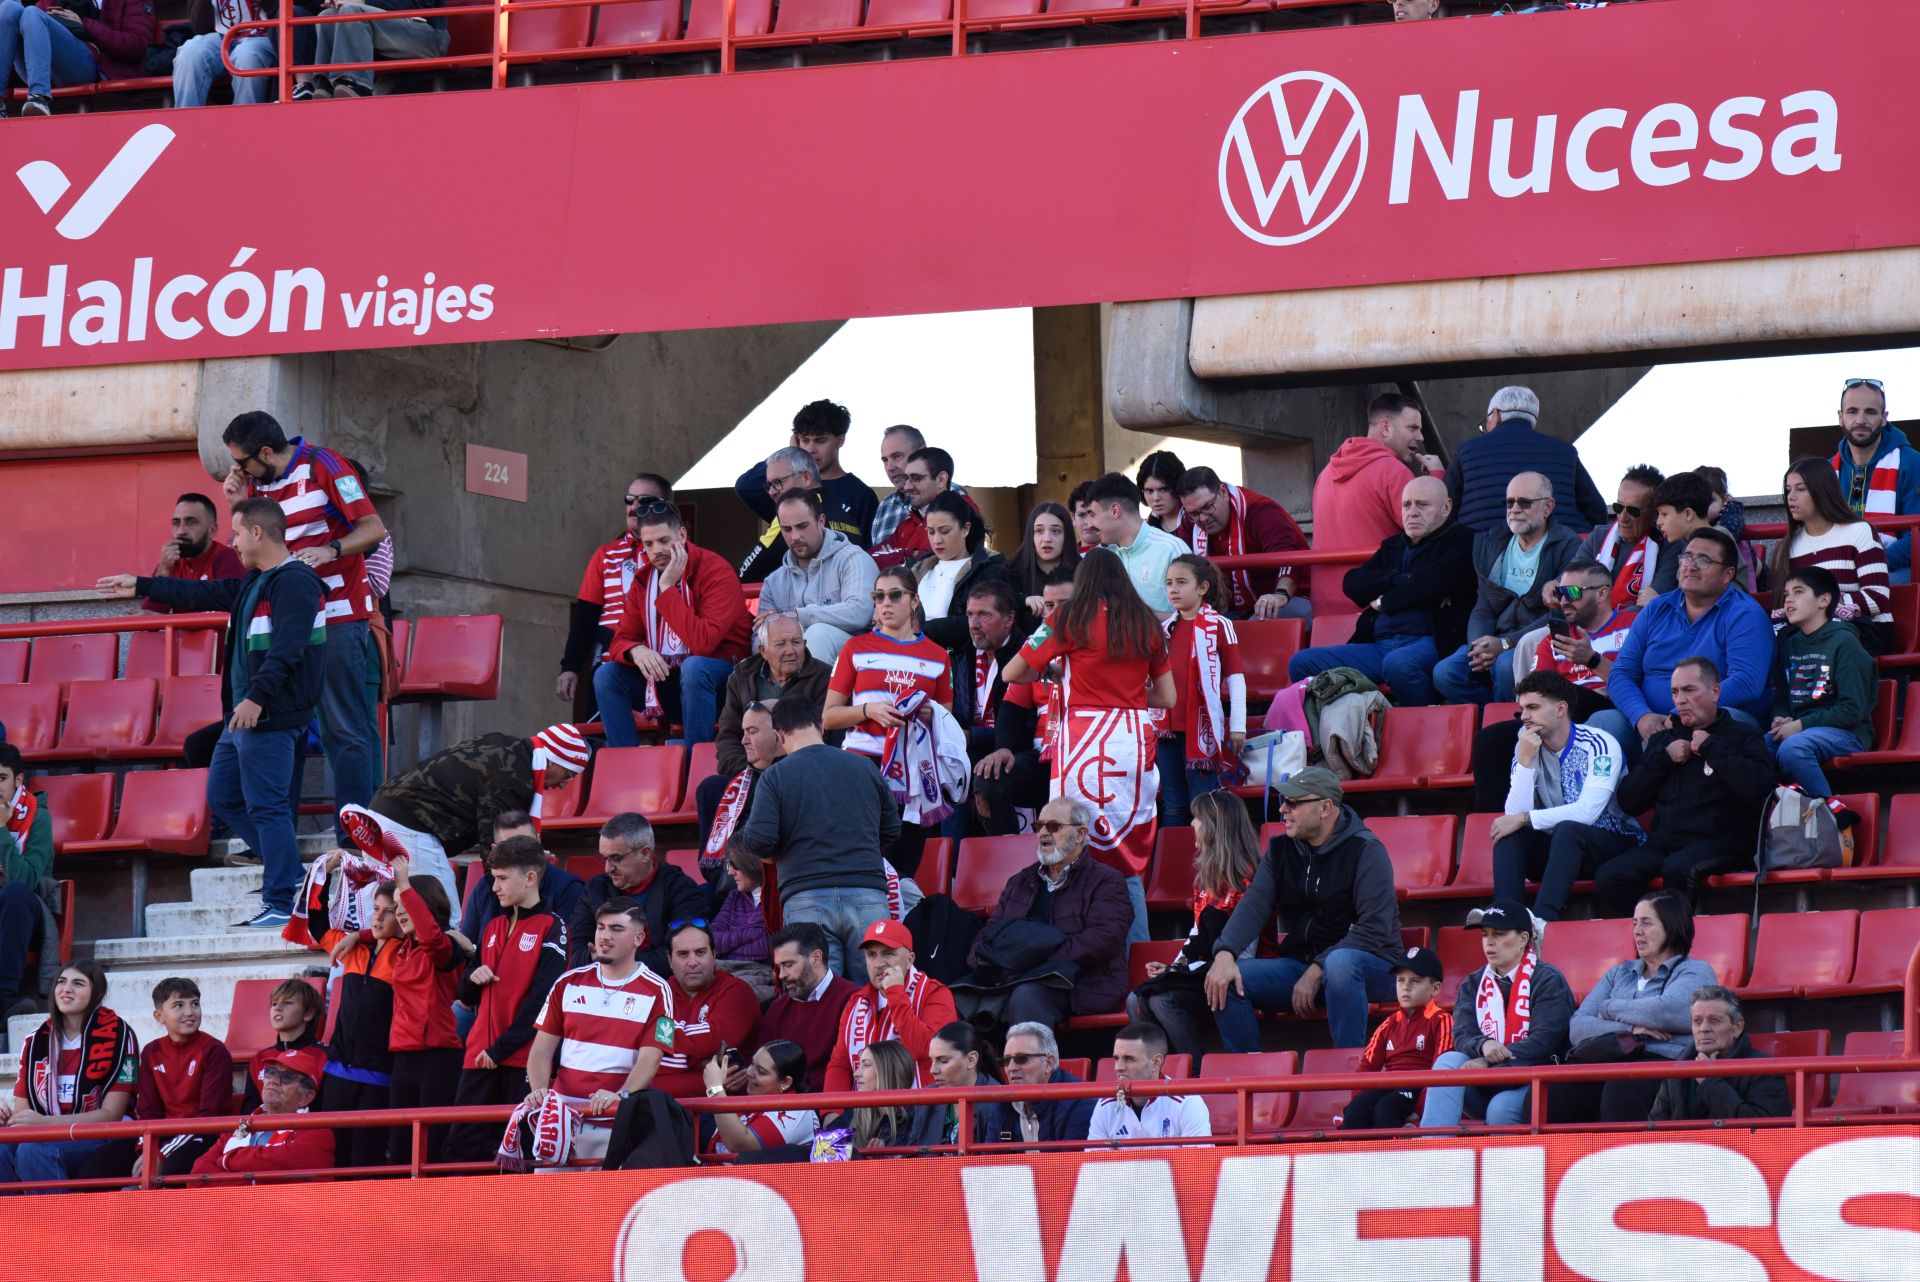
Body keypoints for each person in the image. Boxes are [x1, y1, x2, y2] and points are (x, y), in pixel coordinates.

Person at [98, 497, 325, 929]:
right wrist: (145, 584)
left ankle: (281, 900)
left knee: (268, 808)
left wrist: (257, 698)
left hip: (267, 715)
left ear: (257, 532)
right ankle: (290, 871)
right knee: (223, 795)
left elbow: (289, 647)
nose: (232, 543)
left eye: (237, 533)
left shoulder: (296, 581)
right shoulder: (253, 581)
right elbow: (200, 592)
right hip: (241, 716)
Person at [220, 411, 386, 838]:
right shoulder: (257, 483)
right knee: (282, 727)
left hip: (338, 615)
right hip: (285, 624)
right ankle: (278, 837)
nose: (237, 470)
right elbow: (254, 544)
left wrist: (332, 549)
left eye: (241, 462)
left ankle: (355, 836)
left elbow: (374, 528)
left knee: (344, 730)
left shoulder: (326, 465)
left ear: (268, 452)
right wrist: (236, 501)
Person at [1004, 549, 1176, 946]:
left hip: (1083, 737)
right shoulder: (1145, 622)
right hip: (1132, 739)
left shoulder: (1067, 618)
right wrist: (1128, 693)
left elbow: (1012, 671)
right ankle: (1137, 952)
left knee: (1072, 847)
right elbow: (1167, 698)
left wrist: (1055, 669)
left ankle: (1074, 947)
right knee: (1125, 857)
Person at [1204, 768, 1403, 1050]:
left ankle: (1348, 1073)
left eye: (1293, 802)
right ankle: (1251, 1079)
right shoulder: (1280, 850)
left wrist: (1318, 968)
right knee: (1226, 978)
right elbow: (1254, 905)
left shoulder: (1366, 850)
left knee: (1341, 964)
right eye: (1283, 801)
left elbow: (1375, 929)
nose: (1283, 809)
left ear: (1324, 808)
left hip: (1373, 966)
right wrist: (1225, 953)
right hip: (1303, 966)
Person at [1596, 657, 1775, 915]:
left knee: (1678, 868)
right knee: (1611, 876)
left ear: (1715, 691)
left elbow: (1761, 788)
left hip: (1723, 842)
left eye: (1689, 690)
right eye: (1675, 691)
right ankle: (1652, 932)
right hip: (1665, 844)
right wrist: (1663, 759)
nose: (1680, 699)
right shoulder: (1662, 742)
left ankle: (1676, 948)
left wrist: (1712, 748)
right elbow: (1628, 801)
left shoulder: (1743, 736)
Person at [350, 722, 592, 912]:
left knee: (389, 914)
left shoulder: (506, 747)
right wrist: (511, 897)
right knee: (444, 917)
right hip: (408, 825)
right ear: (552, 761)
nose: (565, 784)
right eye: (568, 773)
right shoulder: (513, 776)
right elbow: (496, 844)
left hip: (382, 815)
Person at [742, 695, 899, 976]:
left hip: (806, 899)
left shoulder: (775, 776)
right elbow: (892, 831)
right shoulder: (865, 767)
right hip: (867, 894)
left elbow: (758, 841)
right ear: (820, 726)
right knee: (877, 999)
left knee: (820, 1005)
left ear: (779, 735)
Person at [1287, 475, 1475, 706]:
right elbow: (1353, 584)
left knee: (1398, 664)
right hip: (1378, 646)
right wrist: (1401, 580)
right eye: (1406, 504)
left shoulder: (1463, 539)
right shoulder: (1393, 546)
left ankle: (1427, 725)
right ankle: (1353, 730)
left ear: (1446, 507)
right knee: (1301, 663)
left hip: (1429, 643)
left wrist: (1385, 601)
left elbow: (1434, 582)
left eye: (1422, 504)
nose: (1412, 512)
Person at [820, 565, 953, 879]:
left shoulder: (937, 656)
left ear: (915, 601)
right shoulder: (855, 647)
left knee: (905, 865)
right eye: (878, 596)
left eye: (895, 595)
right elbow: (828, 717)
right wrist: (868, 710)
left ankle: (897, 926)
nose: (886, 603)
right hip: (863, 765)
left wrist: (931, 712)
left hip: (916, 770)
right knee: (863, 860)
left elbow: (948, 722)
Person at [523, 897, 675, 1168]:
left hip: (614, 1123)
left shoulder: (658, 989)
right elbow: (540, 1050)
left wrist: (622, 1096)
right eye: (601, 927)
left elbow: (651, 1059)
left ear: (639, 938)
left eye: (616, 929)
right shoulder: (567, 982)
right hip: (559, 1122)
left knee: (605, 1210)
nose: (604, 936)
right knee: (550, 1208)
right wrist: (539, 1092)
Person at [445, 836, 571, 1164]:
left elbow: (543, 1001)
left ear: (530, 878)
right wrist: (473, 978)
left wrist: (499, 1050)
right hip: (478, 1057)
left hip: (520, 1060)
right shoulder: (493, 926)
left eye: (501, 878)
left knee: (519, 1154)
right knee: (462, 1151)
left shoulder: (553, 927)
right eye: (492, 878)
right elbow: (465, 993)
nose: (495, 887)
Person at [959, 796, 1131, 1027]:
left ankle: (1027, 1062)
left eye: (1054, 826)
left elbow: (1104, 939)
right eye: (1039, 826)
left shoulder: (1107, 880)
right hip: (1016, 976)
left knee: (1026, 994)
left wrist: (1036, 962)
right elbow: (988, 935)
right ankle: (983, 1063)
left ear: (1080, 834)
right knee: (959, 996)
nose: (1043, 834)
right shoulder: (1019, 881)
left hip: (1080, 982)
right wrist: (986, 960)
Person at [1599, 528, 1776, 750]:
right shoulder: (1656, 608)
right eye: (1687, 557)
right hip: (1651, 719)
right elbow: (1622, 672)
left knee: (1703, 727)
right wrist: (1641, 716)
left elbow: (1746, 683)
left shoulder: (1745, 614)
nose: (1690, 566)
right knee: (1602, 724)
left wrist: (1679, 714)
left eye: (1704, 560)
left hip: (1718, 720)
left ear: (1728, 575)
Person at [1488, 670, 1642, 924]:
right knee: (1510, 833)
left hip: (1612, 847)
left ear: (1560, 708)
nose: (1524, 716)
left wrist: (1526, 818)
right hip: (1561, 854)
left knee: (1569, 829)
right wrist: (1525, 763)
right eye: (1522, 709)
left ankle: (1542, 922)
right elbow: (1514, 815)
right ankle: (1505, 921)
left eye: (1533, 707)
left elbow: (1588, 813)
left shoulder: (1599, 743)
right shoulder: (1527, 745)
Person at [596, 500, 751, 747]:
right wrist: (635, 650)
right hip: (671, 683)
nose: (656, 550)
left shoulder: (716, 571)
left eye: (664, 541)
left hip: (725, 684)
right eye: (648, 544)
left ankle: (693, 763)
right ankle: (623, 763)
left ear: (682, 534)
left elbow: (702, 643)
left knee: (695, 667)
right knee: (607, 676)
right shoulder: (644, 580)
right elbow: (619, 641)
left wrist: (667, 589)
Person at [1554, 891, 1718, 1124]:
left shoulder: (1696, 971)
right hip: (1610, 1059)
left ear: (1671, 927)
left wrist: (1608, 1007)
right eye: (1634, 923)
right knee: (1555, 1093)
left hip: (1666, 1065)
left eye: (1646, 923)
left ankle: (1625, 1161)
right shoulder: (1619, 973)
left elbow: (1666, 1012)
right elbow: (1578, 1027)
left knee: (1622, 1089)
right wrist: (1630, 1030)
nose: (1637, 931)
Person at [1127, 790, 1263, 1060]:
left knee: (1163, 1000)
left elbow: (1245, 950)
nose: (1191, 825)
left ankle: (1195, 1075)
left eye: (1197, 818)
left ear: (1215, 825)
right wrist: (1175, 968)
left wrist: (1185, 971)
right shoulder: (1206, 880)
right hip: (1205, 971)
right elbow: (1196, 933)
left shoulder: (1249, 878)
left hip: (1242, 972)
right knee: (1136, 1000)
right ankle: (1159, 1073)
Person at [1433, 473, 1584, 706]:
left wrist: (1505, 644)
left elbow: (1562, 612)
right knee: (1445, 673)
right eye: (1509, 502)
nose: (1514, 509)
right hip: (1497, 639)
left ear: (1548, 507)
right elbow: (1483, 605)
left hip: (1537, 641)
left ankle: (1508, 723)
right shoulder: (1491, 542)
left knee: (1505, 667)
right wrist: (1479, 646)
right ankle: (1491, 716)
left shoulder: (1569, 545)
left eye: (1524, 502)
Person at [1420, 902, 1574, 1129]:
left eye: (1499, 934)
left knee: (1500, 1108)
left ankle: (1508, 1165)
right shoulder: (1473, 982)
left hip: (1533, 1080)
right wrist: (1484, 1045)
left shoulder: (1548, 980)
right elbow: (1462, 1034)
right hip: (1486, 1080)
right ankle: (1434, 1152)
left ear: (1523, 939)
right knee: (1448, 1061)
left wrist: (1489, 1062)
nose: (1489, 942)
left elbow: (1544, 1044)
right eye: (1485, 935)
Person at [75, 977, 231, 1185]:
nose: (189, 1012)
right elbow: (148, 1112)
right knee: (93, 1171)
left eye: (195, 1003)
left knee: (173, 1169)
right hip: (161, 1135)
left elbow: (207, 1118)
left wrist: (160, 1155)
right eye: (178, 1005)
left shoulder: (214, 1050)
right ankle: (115, 1216)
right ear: (159, 1016)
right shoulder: (152, 1051)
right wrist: (147, 1150)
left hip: (203, 1134)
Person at [0, 960, 136, 1191]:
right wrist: (11, 1120)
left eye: (78, 983)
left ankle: (60, 1224)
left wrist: (44, 1123)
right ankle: (14, 1222)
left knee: (34, 1151)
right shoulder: (35, 1041)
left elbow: (111, 1115)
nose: (66, 989)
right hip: (49, 1132)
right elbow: (25, 1113)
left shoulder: (120, 1035)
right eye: (61, 982)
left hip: (104, 1132)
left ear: (98, 993)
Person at [305, 853, 398, 1167]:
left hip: (381, 1075)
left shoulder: (411, 954)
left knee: (365, 1161)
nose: (378, 918)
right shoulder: (353, 949)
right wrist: (325, 874)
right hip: (338, 1070)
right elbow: (317, 927)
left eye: (389, 912)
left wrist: (362, 933)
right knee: (332, 1157)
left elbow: (431, 934)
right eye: (375, 910)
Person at [558, 475, 671, 719]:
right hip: (613, 663)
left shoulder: (679, 554)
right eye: (629, 500)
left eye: (645, 500)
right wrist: (570, 668)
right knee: (601, 740)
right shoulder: (605, 555)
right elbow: (585, 618)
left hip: (664, 667)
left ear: (666, 506)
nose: (634, 506)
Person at [1769, 567, 1877, 816]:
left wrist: (1799, 725)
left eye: (1798, 592)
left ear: (1824, 600)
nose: (1788, 600)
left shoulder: (1845, 643)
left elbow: (1851, 710)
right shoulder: (1790, 643)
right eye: (1786, 594)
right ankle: (1769, 821)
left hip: (1847, 733)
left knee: (1793, 748)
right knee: (1753, 748)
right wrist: (1781, 716)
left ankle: (1832, 818)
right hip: (1801, 728)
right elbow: (1783, 697)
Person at [973, 571, 1073, 835]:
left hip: (1084, 753)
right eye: (1049, 606)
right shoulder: (1038, 640)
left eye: (1065, 605)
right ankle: (1012, 867)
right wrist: (1003, 747)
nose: (1055, 614)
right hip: (1044, 755)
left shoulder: (1101, 643)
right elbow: (1013, 706)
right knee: (988, 778)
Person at [383, 856, 465, 1170]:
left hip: (438, 1057)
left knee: (433, 1150)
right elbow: (379, 933)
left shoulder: (444, 947)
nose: (400, 910)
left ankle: (437, 1215)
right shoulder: (404, 949)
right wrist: (357, 935)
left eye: (405, 902)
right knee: (401, 1150)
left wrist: (404, 882)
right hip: (403, 1057)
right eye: (396, 904)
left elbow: (433, 937)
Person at [1444, 386, 1608, 534]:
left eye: (1486, 422)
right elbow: (1596, 510)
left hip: (1480, 553)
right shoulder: (1566, 452)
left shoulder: (1466, 452)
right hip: (1558, 552)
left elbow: (1445, 511)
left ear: (1495, 415)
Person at [1771, 459, 1893, 654]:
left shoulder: (1859, 532)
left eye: (1800, 489)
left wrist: (1822, 605)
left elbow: (1877, 598)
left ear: (1822, 491)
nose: (1791, 497)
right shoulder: (1789, 546)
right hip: (1810, 632)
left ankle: (1823, 685)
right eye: (1788, 490)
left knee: (1825, 638)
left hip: (1864, 629)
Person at [1159, 554, 1246, 826]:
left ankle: (1207, 866)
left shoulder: (1220, 625)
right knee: (1173, 805)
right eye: (1169, 583)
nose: (1173, 589)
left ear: (1202, 588)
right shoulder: (1164, 629)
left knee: (1203, 805)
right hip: (1166, 729)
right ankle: (1171, 867)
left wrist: (1238, 725)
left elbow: (1235, 677)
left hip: (1201, 728)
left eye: (1182, 582)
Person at [824, 919, 958, 1092]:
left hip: (919, 1110)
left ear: (909, 960)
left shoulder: (935, 993)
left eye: (888, 953)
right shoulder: (856, 1001)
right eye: (871, 954)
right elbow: (840, 1065)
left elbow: (925, 1051)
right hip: (866, 1113)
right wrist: (832, 1112)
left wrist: (895, 993)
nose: (878, 964)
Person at [570, 812, 706, 973]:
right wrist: (593, 958)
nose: (608, 869)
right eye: (604, 859)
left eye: (616, 858)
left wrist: (618, 961)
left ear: (645, 854)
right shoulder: (595, 889)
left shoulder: (681, 889)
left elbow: (684, 953)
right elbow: (572, 951)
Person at [757, 490, 879, 667]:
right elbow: (757, 642)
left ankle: (803, 694)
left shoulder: (853, 559)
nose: (795, 536)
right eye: (787, 529)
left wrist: (797, 616)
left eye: (802, 526)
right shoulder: (774, 582)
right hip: (793, 664)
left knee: (818, 634)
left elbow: (860, 612)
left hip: (861, 660)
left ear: (821, 521)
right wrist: (770, 630)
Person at [1311, 391, 1441, 553]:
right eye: (1413, 428)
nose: (1420, 437)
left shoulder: (1324, 475)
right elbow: (1432, 532)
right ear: (1385, 428)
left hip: (1323, 578)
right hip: (1374, 577)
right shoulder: (1393, 471)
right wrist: (1437, 478)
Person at [1176, 466, 1311, 620]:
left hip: (1291, 598)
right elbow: (1182, 567)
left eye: (1208, 507)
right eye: (1194, 513)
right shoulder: (1189, 523)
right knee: (1194, 624)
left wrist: (1280, 594)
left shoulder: (1261, 511)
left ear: (1223, 492)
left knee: (1254, 625)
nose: (1203, 519)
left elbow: (1288, 558)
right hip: (1231, 608)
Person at [1339, 947, 1450, 1132]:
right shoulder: (1387, 1025)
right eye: (1400, 980)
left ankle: (1395, 1160)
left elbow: (1440, 1070)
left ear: (1435, 988)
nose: (1406, 987)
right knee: (1356, 1110)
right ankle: (1348, 1158)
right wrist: (1357, 1102)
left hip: (1418, 1090)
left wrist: (1423, 1111)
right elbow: (1366, 1069)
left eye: (1415, 981)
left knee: (1386, 1108)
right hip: (1390, 1087)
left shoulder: (1442, 1020)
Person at [716, 612, 833, 781]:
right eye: (780, 644)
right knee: (708, 789)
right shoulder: (742, 676)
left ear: (804, 644)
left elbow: (822, 738)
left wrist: (777, 774)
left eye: (796, 642)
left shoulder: (824, 677)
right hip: (750, 774)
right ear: (763, 650)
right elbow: (728, 738)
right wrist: (750, 772)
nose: (790, 651)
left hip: (799, 776)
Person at [651, 921, 760, 1099]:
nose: (692, 962)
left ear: (714, 955)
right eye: (683, 954)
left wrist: (661, 1051)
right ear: (670, 960)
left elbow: (713, 1040)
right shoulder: (657, 993)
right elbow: (638, 1057)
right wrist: (702, 1063)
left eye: (700, 952)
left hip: (726, 1110)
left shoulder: (736, 991)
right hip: (664, 1107)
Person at [1647, 986, 1790, 1122]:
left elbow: (1764, 1129)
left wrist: (1709, 1082)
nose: (1704, 1029)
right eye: (1697, 1021)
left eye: (1714, 1021)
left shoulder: (1764, 1069)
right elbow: (1655, 1126)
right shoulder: (1677, 1067)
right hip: (1682, 1147)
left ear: (1737, 1027)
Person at [189, 1046, 334, 1180]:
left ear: (305, 1097)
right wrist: (250, 1186)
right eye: (270, 1072)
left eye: (287, 1077)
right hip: (235, 1206)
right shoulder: (242, 1124)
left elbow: (279, 1174)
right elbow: (199, 1174)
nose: (273, 1080)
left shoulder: (319, 1133)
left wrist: (227, 1160)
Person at [455, 810, 583, 955]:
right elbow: (468, 947)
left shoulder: (568, 889)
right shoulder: (485, 887)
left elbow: (565, 955)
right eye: (507, 848)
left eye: (526, 845)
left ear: (538, 842)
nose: (518, 854)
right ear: (495, 850)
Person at [735, 445, 870, 584]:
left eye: (778, 482)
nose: (771, 492)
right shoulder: (842, 512)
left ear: (806, 477)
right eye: (769, 485)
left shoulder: (790, 516)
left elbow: (745, 574)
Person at [1829, 377, 1919, 584]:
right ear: (1840, 417)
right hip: (1836, 568)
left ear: (1884, 417)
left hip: (1894, 569)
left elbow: (1916, 537)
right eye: (1852, 411)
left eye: (1870, 412)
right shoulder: (1826, 470)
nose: (1861, 419)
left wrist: (1869, 563)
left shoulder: (1913, 463)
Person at [0, 0, 152, 116]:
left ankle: (39, 98)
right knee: (8, 7)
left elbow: (137, 46)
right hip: (37, 67)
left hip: (93, 66)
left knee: (32, 13)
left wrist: (85, 25)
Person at [758, 922, 860, 1092]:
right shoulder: (777, 1009)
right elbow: (762, 1064)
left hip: (832, 1103)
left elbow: (853, 1070)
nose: (782, 975)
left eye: (788, 965)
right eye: (778, 967)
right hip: (781, 1106)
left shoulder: (854, 1000)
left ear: (816, 958)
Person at [915, 492, 1012, 654]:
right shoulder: (917, 570)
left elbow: (975, 622)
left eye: (944, 531)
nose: (937, 540)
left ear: (965, 529)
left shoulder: (987, 569)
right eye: (931, 532)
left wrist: (921, 631)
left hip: (959, 662)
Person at [699, 703, 782, 887]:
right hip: (730, 884)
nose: (744, 740)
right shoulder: (722, 788)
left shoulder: (795, 780)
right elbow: (709, 869)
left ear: (779, 733)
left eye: (752, 731)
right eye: (743, 732)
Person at [1087, 1023, 1210, 1144]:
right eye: (1116, 1058)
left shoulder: (1187, 1103)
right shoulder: (1105, 1105)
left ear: (1156, 1062)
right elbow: (1094, 1162)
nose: (1118, 1067)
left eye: (1129, 1059)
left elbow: (1198, 1162)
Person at [0, 744, 52, 1026]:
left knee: (15, 892)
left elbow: (26, 880)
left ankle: (5, 995)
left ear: (18, 780)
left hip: (23, 914)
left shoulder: (38, 817)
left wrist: (0, 831)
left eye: (1, 778)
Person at [1086, 472, 1187, 616]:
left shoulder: (1170, 550)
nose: (1089, 525)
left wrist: (1136, 616)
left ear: (1115, 511)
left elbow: (1193, 619)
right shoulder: (1100, 556)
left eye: (1092, 515)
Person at [699, 1040, 817, 1156]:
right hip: (715, 1173)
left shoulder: (797, 1110)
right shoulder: (752, 1101)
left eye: (761, 1071)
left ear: (785, 1082)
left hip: (749, 1175)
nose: (749, 1072)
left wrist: (715, 1089)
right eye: (752, 1064)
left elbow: (739, 1144)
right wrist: (721, 1090)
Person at [310, 0, 448, 98]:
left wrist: (363, 2)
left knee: (351, 10)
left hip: (428, 37)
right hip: (389, 30)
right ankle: (326, 84)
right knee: (327, 14)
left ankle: (356, 84)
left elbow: (418, 5)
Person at [142, 493, 245, 612]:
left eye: (191, 522)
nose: (181, 531)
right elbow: (150, 617)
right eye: (176, 523)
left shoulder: (228, 559)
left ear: (212, 530)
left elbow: (228, 616)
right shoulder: (169, 562)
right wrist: (163, 571)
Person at [1579, 465, 1664, 608]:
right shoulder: (1599, 536)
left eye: (1633, 510)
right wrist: (1555, 584)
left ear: (1655, 513)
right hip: (1584, 620)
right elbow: (1571, 582)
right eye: (1618, 507)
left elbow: (1649, 608)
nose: (1623, 518)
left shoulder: (1669, 546)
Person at [872, 426, 967, 553]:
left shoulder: (954, 495)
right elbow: (874, 558)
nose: (889, 467)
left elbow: (936, 558)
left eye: (897, 456)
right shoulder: (885, 506)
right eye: (885, 460)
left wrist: (894, 556)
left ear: (921, 452)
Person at [1001, 1022, 1094, 1145]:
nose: (1011, 1067)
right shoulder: (1000, 1103)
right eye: (1007, 1060)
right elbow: (989, 1163)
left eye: (1021, 1058)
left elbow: (1070, 1163)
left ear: (1049, 1063)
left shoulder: (1080, 1102)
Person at [848, 1040, 945, 1155]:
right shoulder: (852, 1117)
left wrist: (884, 1165)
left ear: (889, 1071)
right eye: (859, 1065)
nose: (856, 1074)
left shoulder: (917, 1119)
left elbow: (920, 1168)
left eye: (866, 1065)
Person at [172, 0, 273, 107]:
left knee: (246, 56)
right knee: (190, 52)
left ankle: (245, 121)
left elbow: (280, 11)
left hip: (264, 34)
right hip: (221, 36)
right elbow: (199, 28)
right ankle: (185, 121)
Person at [241, 978, 322, 1110]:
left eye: (288, 1002)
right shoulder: (260, 1059)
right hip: (266, 1130)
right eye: (274, 1004)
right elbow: (249, 1111)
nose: (277, 1008)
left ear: (308, 1014)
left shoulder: (325, 1057)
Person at [927, 1022, 1013, 1146]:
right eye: (932, 1060)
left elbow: (992, 1162)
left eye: (943, 1061)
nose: (933, 1070)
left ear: (971, 1060)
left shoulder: (996, 1104)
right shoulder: (925, 1102)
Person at [712, 840, 771, 977]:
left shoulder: (776, 898)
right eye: (729, 864)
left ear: (751, 863)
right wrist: (756, 933)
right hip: (725, 969)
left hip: (761, 974)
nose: (730, 872)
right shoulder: (734, 897)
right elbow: (712, 941)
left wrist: (729, 946)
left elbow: (767, 948)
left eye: (735, 865)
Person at [1136, 451, 1195, 545]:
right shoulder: (1146, 527)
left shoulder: (1196, 521)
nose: (1156, 498)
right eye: (1149, 491)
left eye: (1163, 489)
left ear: (1177, 485)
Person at [1068, 482, 1103, 554]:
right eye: (1081, 515)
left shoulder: (1119, 554)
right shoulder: (1065, 557)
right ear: (1073, 518)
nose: (1088, 522)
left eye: (1093, 515)